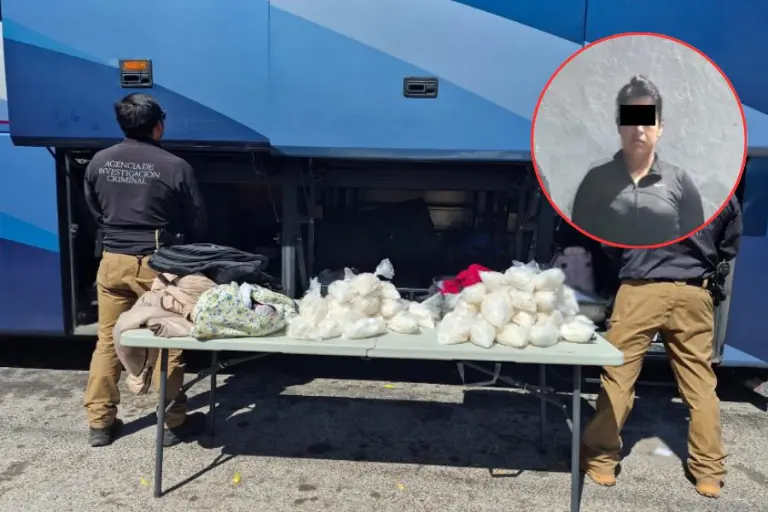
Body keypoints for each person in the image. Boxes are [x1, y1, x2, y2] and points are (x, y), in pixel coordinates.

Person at [580, 195, 742, 498]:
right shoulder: (722, 191)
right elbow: (728, 247)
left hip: (641, 290)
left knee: (619, 376)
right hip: (695, 293)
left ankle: (601, 462)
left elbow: (610, 241)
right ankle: (708, 473)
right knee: (700, 384)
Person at [83, 93, 208, 447]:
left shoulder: (98, 162)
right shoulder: (175, 166)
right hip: (160, 265)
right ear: (158, 126)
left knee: (109, 339)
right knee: (170, 341)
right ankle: (173, 423)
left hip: (113, 260)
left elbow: (94, 211)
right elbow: (198, 220)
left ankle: (99, 423)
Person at [571, 75, 705, 247]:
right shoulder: (595, 181)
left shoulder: (679, 182)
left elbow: (698, 248)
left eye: (646, 120)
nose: (639, 129)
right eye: (631, 119)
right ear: (619, 126)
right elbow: (576, 245)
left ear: (660, 127)